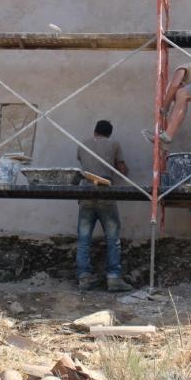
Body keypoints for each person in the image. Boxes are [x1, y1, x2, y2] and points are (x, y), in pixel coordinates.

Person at [75, 120, 132, 292]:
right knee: (113, 239)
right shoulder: (114, 144)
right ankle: (114, 278)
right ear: (109, 133)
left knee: (83, 239)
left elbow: (84, 163)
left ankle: (84, 278)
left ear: (95, 132)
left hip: (85, 194)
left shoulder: (82, 145)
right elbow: (122, 169)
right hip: (106, 193)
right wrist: (123, 170)